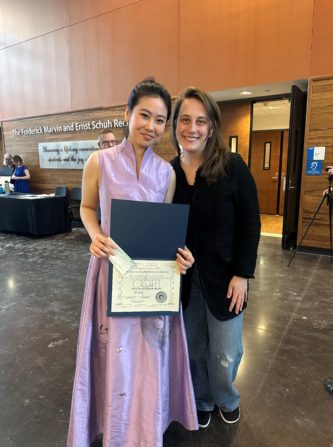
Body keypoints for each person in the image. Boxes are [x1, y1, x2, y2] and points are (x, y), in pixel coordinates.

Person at [67, 80, 198, 447]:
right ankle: (115, 424)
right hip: (111, 274)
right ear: (127, 114)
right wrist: (94, 234)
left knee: (146, 352)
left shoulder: (167, 174)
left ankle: (145, 424)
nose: (151, 126)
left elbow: (165, 230)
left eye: (160, 119)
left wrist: (180, 255)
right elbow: (87, 207)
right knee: (115, 352)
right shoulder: (100, 162)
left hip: (151, 280)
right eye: (144, 115)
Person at [170, 87, 261, 428]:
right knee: (193, 348)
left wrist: (243, 274)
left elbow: (252, 223)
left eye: (200, 121)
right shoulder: (169, 173)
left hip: (226, 277)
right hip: (184, 278)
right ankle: (202, 398)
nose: (192, 128)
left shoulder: (232, 167)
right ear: (175, 125)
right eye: (185, 120)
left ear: (211, 126)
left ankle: (226, 396)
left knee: (225, 352)